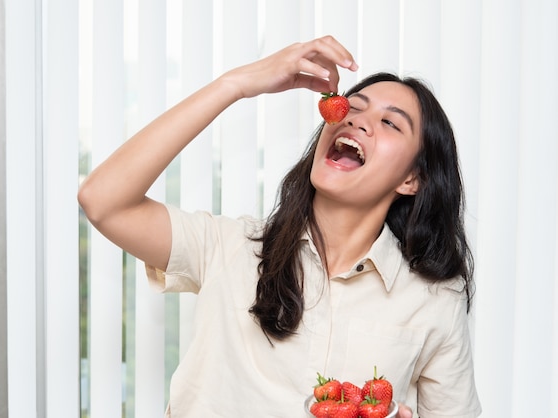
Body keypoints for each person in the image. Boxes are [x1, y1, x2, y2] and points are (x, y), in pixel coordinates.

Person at [78, 36, 481, 418]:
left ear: (412, 179)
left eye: (391, 123)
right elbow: (103, 201)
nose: (358, 121)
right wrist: (236, 84)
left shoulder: (434, 301)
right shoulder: (230, 247)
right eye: (352, 106)